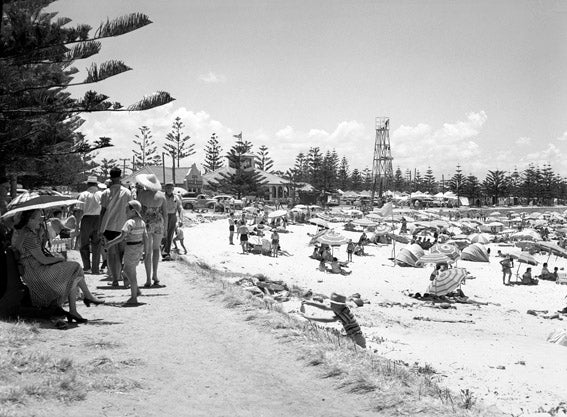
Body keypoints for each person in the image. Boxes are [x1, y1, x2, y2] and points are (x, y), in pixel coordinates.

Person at [12, 209, 104, 323]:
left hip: (34, 268)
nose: (41, 220)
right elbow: (43, 260)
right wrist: (59, 259)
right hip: (36, 271)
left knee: (74, 270)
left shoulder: (27, 232)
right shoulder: (28, 235)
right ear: (30, 219)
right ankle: (85, 299)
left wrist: (42, 237)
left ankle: (76, 308)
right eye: (39, 217)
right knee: (75, 267)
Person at [105, 201, 146, 305]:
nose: (125, 212)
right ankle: (136, 290)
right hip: (138, 248)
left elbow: (122, 237)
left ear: (133, 210)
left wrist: (110, 243)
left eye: (127, 209)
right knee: (131, 270)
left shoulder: (129, 222)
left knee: (129, 271)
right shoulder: (142, 222)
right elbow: (146, 237)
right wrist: (145, 250)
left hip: (131, 248)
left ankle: (134, 297)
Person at [99, 167, 132, 287]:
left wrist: (100, 229)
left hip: (109, 226)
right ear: (120, 176)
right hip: (123, 226)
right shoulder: (127, 192)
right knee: (123, 253)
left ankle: (114, 280)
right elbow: (130, 210)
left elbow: (102, 211)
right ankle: (125, 277)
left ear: (110, 177)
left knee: (112, 255)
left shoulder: (105, 193)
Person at [135, 174, 167, 288]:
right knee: (156, 249)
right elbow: (165, 214)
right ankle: (155, 275)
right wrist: (166, 229)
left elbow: (137, 211)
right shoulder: (161, 196)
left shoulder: (142, 195)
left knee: (147, 252)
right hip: (159, 223)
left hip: (146, 224)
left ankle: (148, 278)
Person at [300, 293, 366, 348]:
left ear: (339, 305)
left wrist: (309, 317)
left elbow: (328, 320)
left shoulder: (344, 313)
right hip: (353, 336)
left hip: (357, 338)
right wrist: (309, 303)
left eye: (332, 304)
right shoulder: (339, 309)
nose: (331, 305)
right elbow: (325, 307)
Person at [77, 175, 102, 274]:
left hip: (86, 219)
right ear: (96, 184)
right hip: (98, 219)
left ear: (87, 184)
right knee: (97, 244)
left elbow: (79, 210)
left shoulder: (83, 194)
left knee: (84, 244)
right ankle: (95, 268)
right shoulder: (101, 194)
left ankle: (87, 267)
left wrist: (77, 225)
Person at [162, 183, 182, 261]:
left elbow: (180, 208)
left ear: (173, 189)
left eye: (171, 188)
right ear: (165, 188)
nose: (169, 189)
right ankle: (163, 252)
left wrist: (180, 219)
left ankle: (167, 252)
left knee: (170, 234)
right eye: (167, 188)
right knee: (164, 233)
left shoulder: (176, 197)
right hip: (164, 216)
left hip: (173, 216)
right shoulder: (162, 197)